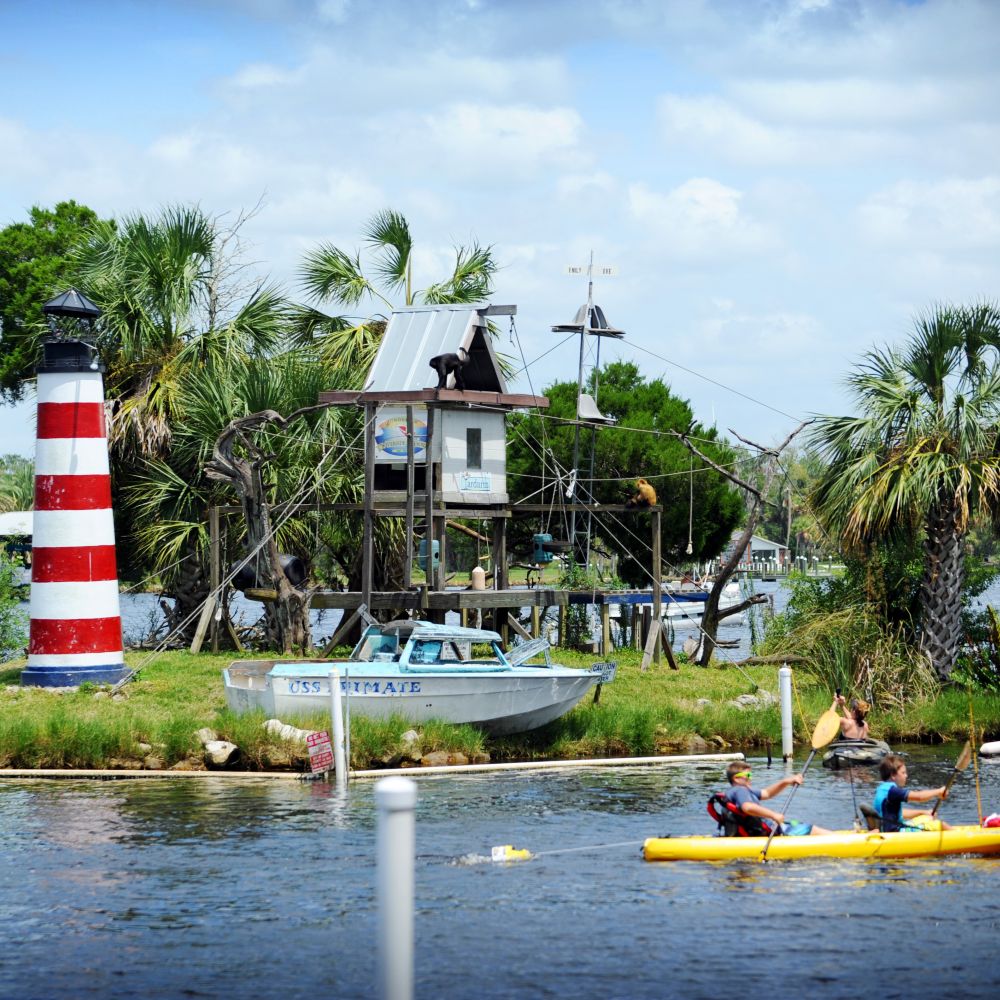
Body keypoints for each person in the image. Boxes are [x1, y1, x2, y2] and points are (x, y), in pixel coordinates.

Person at [724, 761, 832, 836]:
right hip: (768, 830)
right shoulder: (740, 791)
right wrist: (773, 815)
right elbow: (748, 807)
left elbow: (767, 793)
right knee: (810, 828)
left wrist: (786, 781)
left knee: (795, 822)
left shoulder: (741, 791)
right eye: (748, 775)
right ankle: (840, 840)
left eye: (751, 774)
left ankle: (833, 836)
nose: (750, 778)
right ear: (737, 779)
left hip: (763, 828)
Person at [873, 754, 951, 832]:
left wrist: (923, 812)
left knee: (927, 817)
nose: (906, 776)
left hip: (892, 829)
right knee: (940, 824)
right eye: (903, 773)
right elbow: (919, 797)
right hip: (895, 834)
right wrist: (939, 791)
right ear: (893, 775)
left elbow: (900, 813)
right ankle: (961, 838)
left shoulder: (882, 788)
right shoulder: (892, 791)